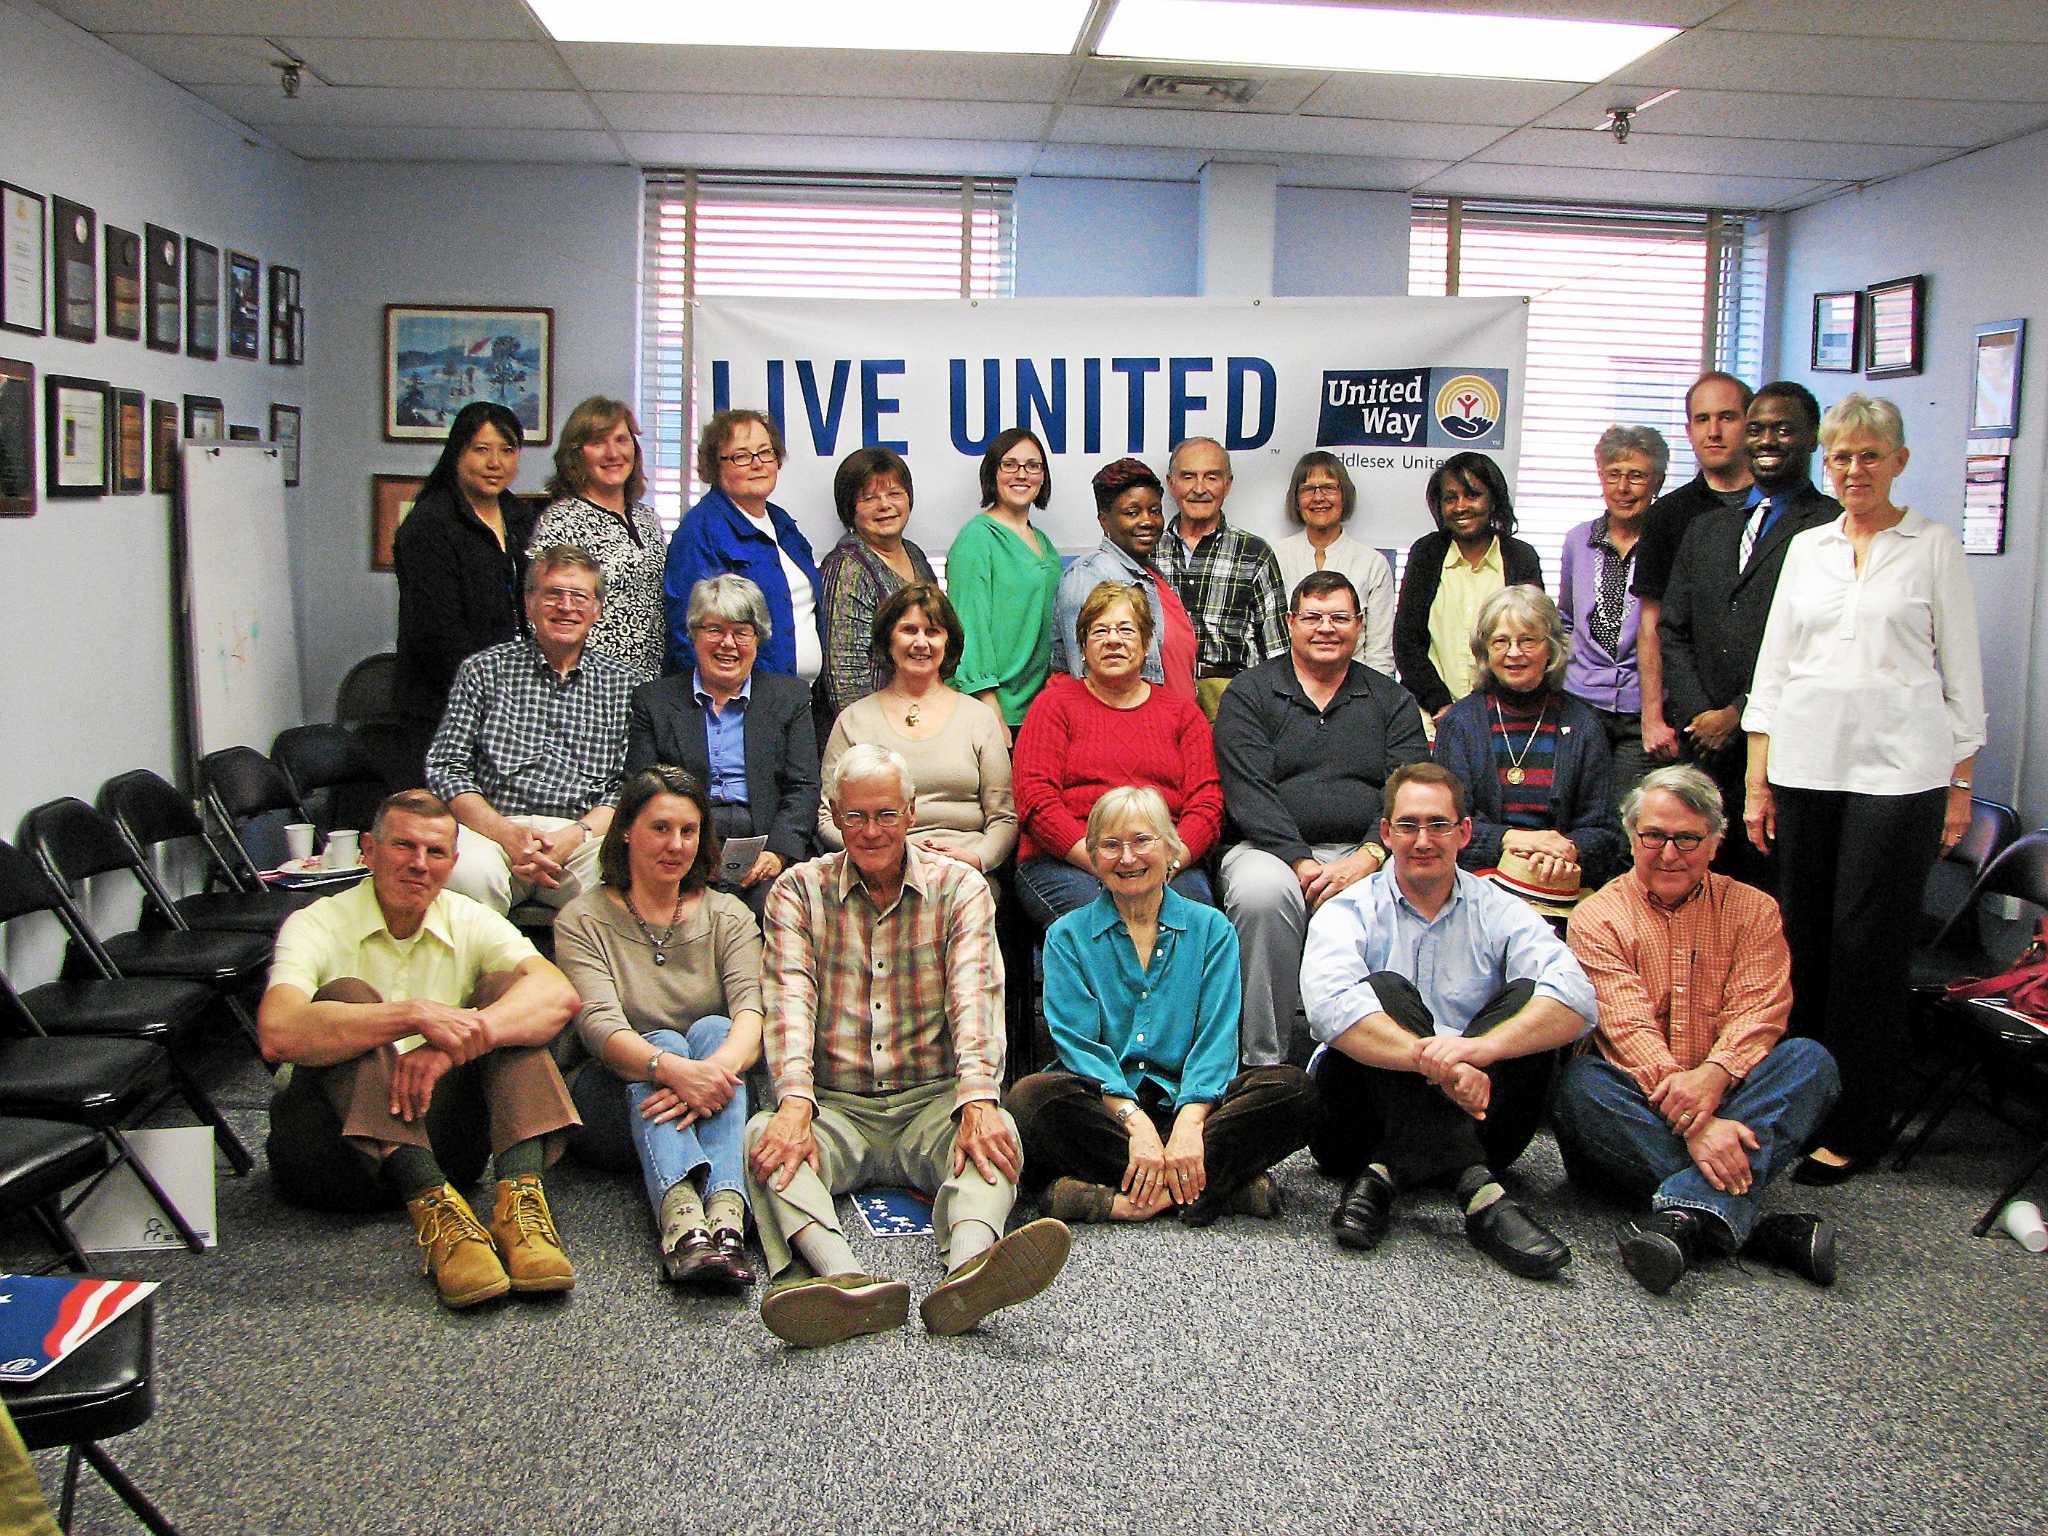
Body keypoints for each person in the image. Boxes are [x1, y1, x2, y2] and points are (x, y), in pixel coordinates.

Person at [745, 745, 1071, 1348]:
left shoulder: (961, 887)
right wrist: (793, 1103)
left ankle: (970, 1273)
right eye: (856, 817)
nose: (872, 832)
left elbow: (975, 996)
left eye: (887, 815)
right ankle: (840, 1279)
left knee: (998, 1133)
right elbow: (789, 1000)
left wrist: (977, 1098)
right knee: (762, 1139)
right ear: (835, 817)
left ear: (912, 812)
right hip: (835, 1105)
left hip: (931, 1100)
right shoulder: (797, 892)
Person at [1744, 392, 1986, 1184]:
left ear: (1900, 462)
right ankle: (1797, 1104)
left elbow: (1963, 677)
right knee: (1805, 945)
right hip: (1806, 768)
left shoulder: (1932, 546)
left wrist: (1959, 784)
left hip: (1901, 777)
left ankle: (1857, 1123)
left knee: (1865, 952)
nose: (1854, 470)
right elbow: (1773, 670)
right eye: (1841, 457)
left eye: (1869, 456)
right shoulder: (1808, 548)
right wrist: (1758, 780)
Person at [257, 790, 583, 1308]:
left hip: (448, 1148)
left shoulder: (468, 917)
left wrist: (458, 1044)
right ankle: (435, 1215)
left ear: (453, 862)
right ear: (368, 850)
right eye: (403, 846)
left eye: (435, 853)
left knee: (506, 997)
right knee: (347, 1000)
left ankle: (521, 1204)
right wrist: (408, 1016)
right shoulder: (316, 922)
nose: (418, 864)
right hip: (332, 1158)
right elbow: (277, 1031)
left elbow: (558, 996)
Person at [1300, 762, 1596, 1279]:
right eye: (1408, 825)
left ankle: (1384, 1174)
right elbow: (1329, 1007)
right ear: (1386, 833)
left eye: (1438, 825)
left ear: (1463, 832)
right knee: (1383, 990)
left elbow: (1577, 998)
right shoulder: (1347, 909)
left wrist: (1476, 1052)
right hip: (1354, 1125)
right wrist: (1435, 1063)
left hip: (1484, 1119)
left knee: (1532, 996)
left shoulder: (1499, 907)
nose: (1423, 840)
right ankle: (1480, 1193)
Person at [1556, 765, 1842, 1294]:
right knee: (1580, 1087)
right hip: (1637, 1101)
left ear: (1715, 842)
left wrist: (1712, 1078)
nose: (1668, 854)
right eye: (1654, 837)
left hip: (1730, 1096)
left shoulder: (1755, 911)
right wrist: (1698, 1126)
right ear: (1630, 836)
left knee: (1810, 1061)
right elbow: (1627, 1030)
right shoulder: (1595, 917)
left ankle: (1686, 1220)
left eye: (1687, 839)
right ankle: (1760, 1228)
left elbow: (1760, 1012)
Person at [1007, 787, 1321, 1225]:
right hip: (1107, 1110)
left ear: (1170, 848)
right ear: (1093, 858)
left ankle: (1111, 1197)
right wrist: (1136, 1125)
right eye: (1111, 845)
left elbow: (1216, 1040)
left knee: (1297, 1091)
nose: (1128, 858)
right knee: (1029, 1100)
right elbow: (1079, 1047)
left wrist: (1190, 1126)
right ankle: (1215, 1187)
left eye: (1142, 841)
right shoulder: (1067, 936)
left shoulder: (1212, 929)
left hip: (1194, 1105)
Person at [553, 766, 763, 1290]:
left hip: (717, 1093)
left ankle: (723, 1220)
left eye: (688, 831)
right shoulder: (581, 918)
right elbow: (598, 1026)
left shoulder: (728, 915)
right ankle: (682, 1221)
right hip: (614, 1098)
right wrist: (670, 1068)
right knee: (664, 1039)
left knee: (716, 1027)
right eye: (660, 828)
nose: (675, 845)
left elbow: (752, 1015)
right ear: (625, 830)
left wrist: (706, 1075)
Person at [1214, 571, 1427, 1067]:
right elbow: (1248, 791)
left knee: (1404, 894)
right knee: (1261, 896)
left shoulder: (1391, 700)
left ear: (1360, 625)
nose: (1325, 628)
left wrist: (1371, 854)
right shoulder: (1251, 693)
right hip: (1267, 851)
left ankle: (1382, 1059)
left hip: (1370, 853)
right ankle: (1261, 1063)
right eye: (1312, 617)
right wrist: (1299, 861)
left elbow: (1409, 791)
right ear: (1290, 623)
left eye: (1338, 617)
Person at [1658, 381, 1841, 887]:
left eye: (1784, 429)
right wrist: (1700, 714)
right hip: (1704, 749)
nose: (1766, 441)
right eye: (1757, 429)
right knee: (1702, 887)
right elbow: (1673, 630)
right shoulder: (1708, 529)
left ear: (1812, 439)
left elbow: (1820, 646)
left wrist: (1739, 713)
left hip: (1785, 750)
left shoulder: (1832, 527)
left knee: (1773, 892)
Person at [425, 544, 631, 915]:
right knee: (465, 874)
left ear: (597, 609)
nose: (566, 607)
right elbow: (446, 767)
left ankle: (578, 975)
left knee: (622, 878)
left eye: (579, 596)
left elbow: (628, 785)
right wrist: (505, 833)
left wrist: (573, 836)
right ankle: (493, 972)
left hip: (581, 835)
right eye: (553, 594)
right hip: (492, 830)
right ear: (530, 602)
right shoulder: (483, 670)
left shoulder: (626, 684)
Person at [1013, 580, 1223, 928]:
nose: (1113, 640)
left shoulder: (1183, 713)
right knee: (1106, 926)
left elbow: (1207, 803)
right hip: (1071, 861)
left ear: (1145, 645)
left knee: (1191, 921)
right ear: (1082, 647)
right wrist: (1106, 864)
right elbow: (1037, 802)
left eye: (1126, 629)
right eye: (1099, 631)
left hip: (1164, 863)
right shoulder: (1052, 707)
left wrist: (1165, 863)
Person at [626, 574, 820, 921]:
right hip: (683, 842)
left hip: (765, 840)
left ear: (757, 638)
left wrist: (777, 853)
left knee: (780, 910)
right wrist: (690, 854)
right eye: (714, 630)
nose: (727, 644)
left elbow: (803, 787)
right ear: (693, 634)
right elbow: (644, 790)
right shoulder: (654, 701)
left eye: (741, 632)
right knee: (685, 914)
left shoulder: (790, 699)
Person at [816, 582, 1016, 882]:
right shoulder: (854, 720)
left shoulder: (979, 718)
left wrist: (977, 859)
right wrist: (886, 853)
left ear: (948, 642)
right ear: (888, 639)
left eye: (933, 632)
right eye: (909, 630)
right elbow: (827, 818)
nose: (921, 643)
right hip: (874, 868)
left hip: (963, 874)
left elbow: (1004, 818)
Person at [1432, 585, 1626, 891]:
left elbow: (1604, 831)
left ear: (1550, 648)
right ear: (1485, 652)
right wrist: (1512, 839)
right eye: (1500, 642)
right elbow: (1443, 826)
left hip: (1560, 887)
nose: (1514, 653)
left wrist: (1569, 848)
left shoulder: (1584, 724)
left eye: (1527, 640)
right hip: (1475, 888)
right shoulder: (1460, 724)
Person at [393, 401, 537, 779]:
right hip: (446, 705)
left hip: (512, 705)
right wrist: (492, 700)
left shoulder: (519, 517)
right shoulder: (429, 526)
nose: (496, 463)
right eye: (482, 450)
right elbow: (437, 634)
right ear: (458, 451)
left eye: (507, 451)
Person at [1633, 374, 1754, 767]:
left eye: (1727, 417)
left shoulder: (1780, 511)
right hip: (1690, 720)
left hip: (1765, 715)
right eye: (1702, 420)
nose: (1714, 432)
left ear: (1750, 423)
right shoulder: (1667, 516)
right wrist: (1652, 717)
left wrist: (1741, 709)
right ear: (1688, 430)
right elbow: (1651, 622)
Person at [662, 407, 822, 681]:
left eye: (765, 452)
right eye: (741, 456)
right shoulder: (699, 532)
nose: (757, 464)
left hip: (800, 703)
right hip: (742, 704)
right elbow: (687, 636)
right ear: (716, 466)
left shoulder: (783, 524)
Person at [1557, 425, 1667, 794]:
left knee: (1627, 819)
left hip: (1643, 711)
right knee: (1578, 809)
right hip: (1581, 703)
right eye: (1613, 475)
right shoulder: (1577, 540)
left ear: (1658, 481)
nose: (1623, 488)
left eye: (1636, 476)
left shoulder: (1669, 541)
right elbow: (1566, 619)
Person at [1393, 452, 1544, 722]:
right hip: (1431, 716)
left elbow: (1530, 642)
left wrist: (1485, 710)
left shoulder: (1520, 557)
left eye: (1472, 495)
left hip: (1502, 716)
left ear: (1493, 499)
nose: (1461, 507)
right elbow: (1407, 641)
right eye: (1451, 498)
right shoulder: (1426, 554)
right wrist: (1440, 705)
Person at [530, 395, 666, 683]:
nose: (612, 453)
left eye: (621, 440)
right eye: (598, 443)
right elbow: (543, 616)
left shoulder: (648, 519)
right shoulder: (560, 521)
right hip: (587, 689)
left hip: (648, 686)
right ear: (577, 454)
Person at [1154, 436, 1287, 715]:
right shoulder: (1148, 551)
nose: (1199, 489)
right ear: (1171, 483)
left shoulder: (1254, 553)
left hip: (1232, 697)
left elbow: (1278, 652)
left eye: (1211, 477)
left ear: (1227, 484)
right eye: (1188, 476)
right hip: (1158, 695)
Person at [944, 427, 1064, 733]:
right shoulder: (976, 538)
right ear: (992, 473)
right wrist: (987, 700)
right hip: (994, 708)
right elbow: (968, 624)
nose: (1021, 474)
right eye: (1009, 464)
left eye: (1033, 466)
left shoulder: (1044, 542)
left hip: (1038, 706)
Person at [1048, 457, 1198, 697]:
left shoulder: (1153, 575)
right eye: (1132, 512)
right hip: (1128, 728)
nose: (1147, 521)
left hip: (1172, 724)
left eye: (1155, 511)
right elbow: (1088, 681)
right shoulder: (1088, 576)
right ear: (1104, 520)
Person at [815, 446, 937, 723]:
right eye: (869, 498)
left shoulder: (914, 553)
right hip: (873, 740)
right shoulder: (848, 566)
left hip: (916, 720)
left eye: (894, 493)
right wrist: (876, 740)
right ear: (850, 508)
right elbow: (845, 677)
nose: (885, 505)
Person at [1271, 450, 1396, 675]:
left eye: (1329, 488)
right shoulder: (1274, 557)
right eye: (1309, 489)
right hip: (1285, 691)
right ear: (1296, 500)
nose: (1319, 498)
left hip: (1354, 693)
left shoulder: (1372, 564)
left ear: (1344, 495)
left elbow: (1380, 654)